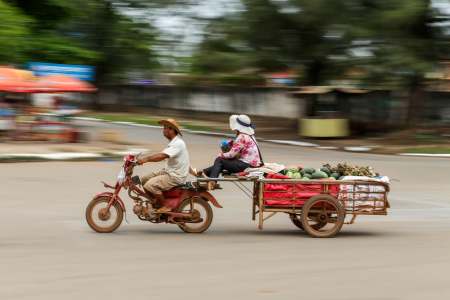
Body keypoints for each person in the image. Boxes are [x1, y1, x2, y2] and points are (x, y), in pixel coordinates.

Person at [137, 118, 196, 213]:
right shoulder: (173, 143)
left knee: (150, 185)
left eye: (166, 128)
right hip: (168, 171)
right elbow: (184, 161)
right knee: (144, 180)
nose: (163, 130)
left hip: (175, 176)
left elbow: (162, 155)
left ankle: (165, 206)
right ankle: (156, 202)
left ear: (172, 130)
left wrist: (146, 159)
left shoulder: (178, 143)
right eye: (163, 128)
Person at [200, 114, 263, 189]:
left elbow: (231, 155)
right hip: (252, 164)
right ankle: (205, 172)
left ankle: (212, 181)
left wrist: (220, 155)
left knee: (219, 160)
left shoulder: (242, 136)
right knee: (223, 162)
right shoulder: (250, 136)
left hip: (246, 165)